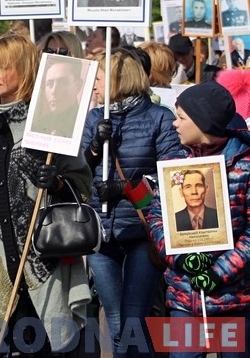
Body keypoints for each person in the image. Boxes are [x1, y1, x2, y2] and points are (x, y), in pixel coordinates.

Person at [0, 34, 92, 354]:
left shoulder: (52, 124)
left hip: (42, 265)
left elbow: (83, 186)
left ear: (26, 69)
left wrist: (57, 184)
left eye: (3, 67)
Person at [81, 49, 185, 358]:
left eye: (99, 77)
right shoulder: (94, 118)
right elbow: (78, 173)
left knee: (133, 320)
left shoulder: (160, 118)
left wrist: (126, 189)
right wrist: (94, 148)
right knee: (116, 323)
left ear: (118, 79)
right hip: (101, 233)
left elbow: (171, 179)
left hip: (142, 232)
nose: (94, 84)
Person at [147, 81, 250, 358]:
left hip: (234, 300)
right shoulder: (175, 163)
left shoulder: (244, 166)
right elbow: (157, 218)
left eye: (181, 117)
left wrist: (218, 272)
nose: (174, 124)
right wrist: (180, 258)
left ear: (203, 122)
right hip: (185, 296)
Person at [31, 56, 83, 138]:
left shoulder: (85, 124)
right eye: (50, 84)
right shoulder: (37, 126)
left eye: (62, 83)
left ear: (78, 86)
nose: (54, 91)